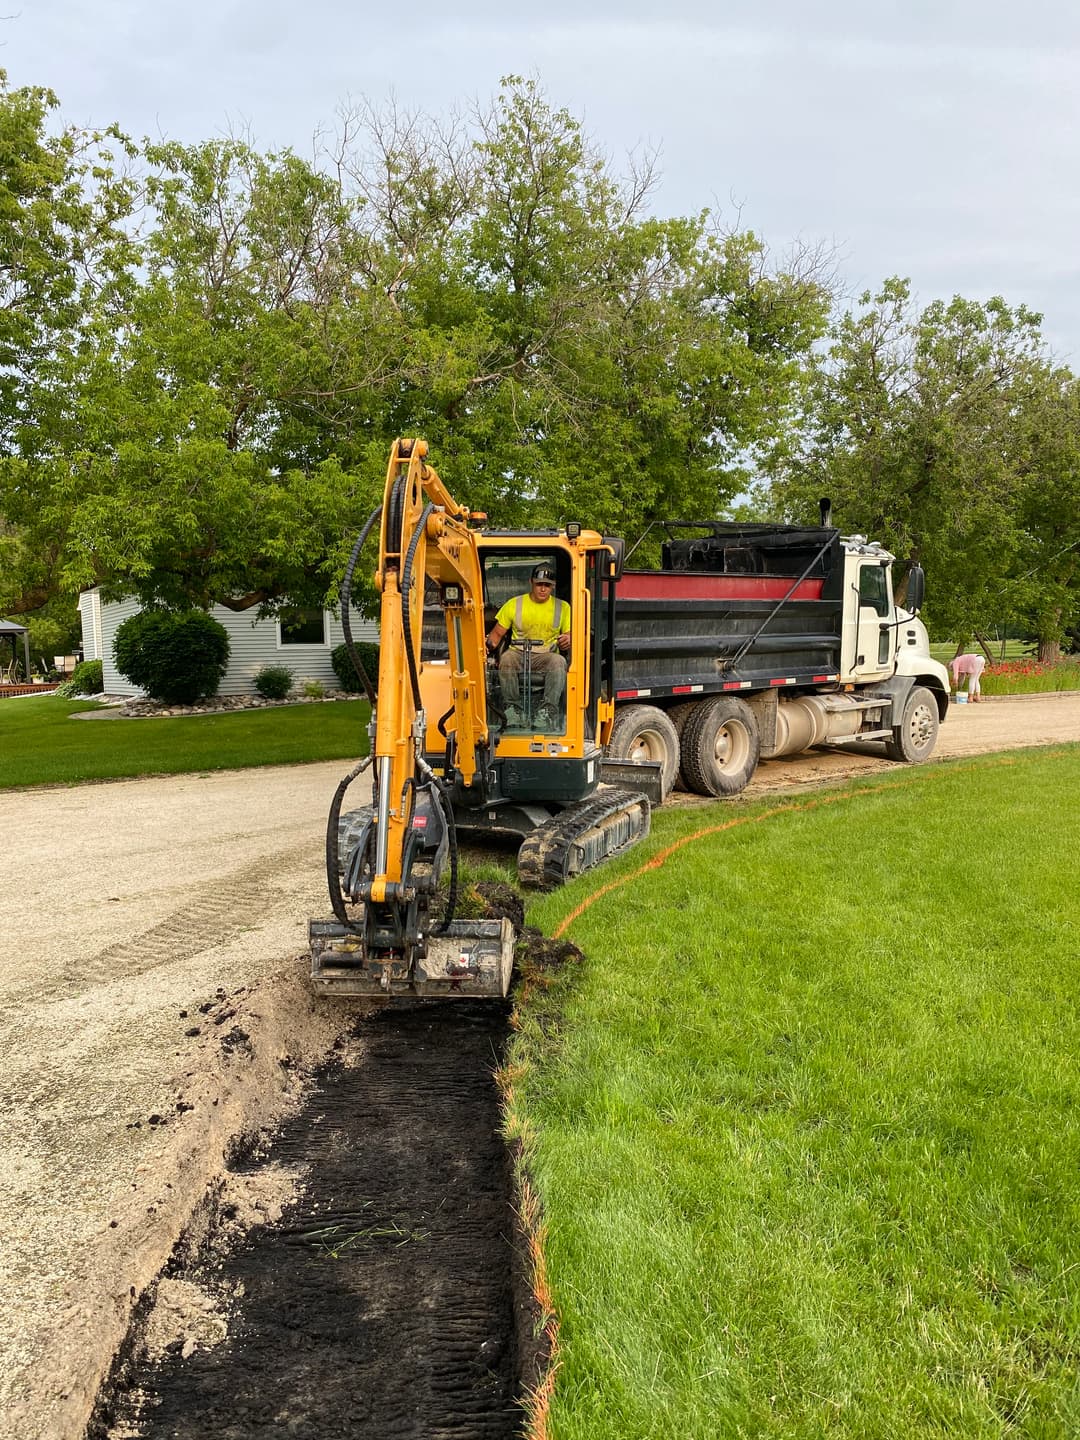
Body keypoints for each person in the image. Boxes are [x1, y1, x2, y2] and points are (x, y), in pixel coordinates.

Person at [486, 564, 571, 729]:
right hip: (518, 652)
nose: (543, 589)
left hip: (546, 655)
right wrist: (485, 647)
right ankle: (513, 711)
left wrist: (567, 639)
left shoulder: (563, 608)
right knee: (507, 659)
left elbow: (570, 635)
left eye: (547, 585)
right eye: (539, 584)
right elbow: (496, 635)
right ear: (531, 582)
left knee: (559, 662)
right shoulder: (514, 604)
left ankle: (547, 713)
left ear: (553, 586)